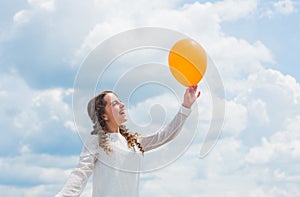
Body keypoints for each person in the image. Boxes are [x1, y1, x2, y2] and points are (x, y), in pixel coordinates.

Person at [56, 86, 200, 197]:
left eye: (120, 101)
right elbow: (80, 173)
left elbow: (165, 135)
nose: (122, 105)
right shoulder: (96, 140)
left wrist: (185, 107)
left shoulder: (132, 141)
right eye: (114, 104)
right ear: (104, 116)